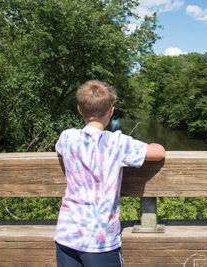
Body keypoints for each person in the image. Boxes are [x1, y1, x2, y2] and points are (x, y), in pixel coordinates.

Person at [55, 80, 165, 267]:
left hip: (67, 234)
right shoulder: (117, 143)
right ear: (111, 111)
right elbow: (159, 152)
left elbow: (59, 149)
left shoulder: (67, 137)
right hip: (101, 241)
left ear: (80, 109)